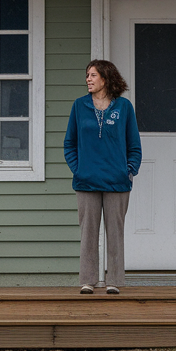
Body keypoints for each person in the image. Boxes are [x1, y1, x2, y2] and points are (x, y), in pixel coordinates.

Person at [64, 59, 142, 295]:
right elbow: (69, 144)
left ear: (106, 78)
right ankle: (88, 280)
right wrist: (78, 169)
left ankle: (114, 281)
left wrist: (128, 170)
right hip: (86, 181)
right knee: (88, 233)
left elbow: (134, 145)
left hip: (117, 181)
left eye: (93, 75)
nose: (88, 79)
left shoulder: (124, 107)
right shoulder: (79, 106)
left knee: (115, 233)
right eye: (87, 75)